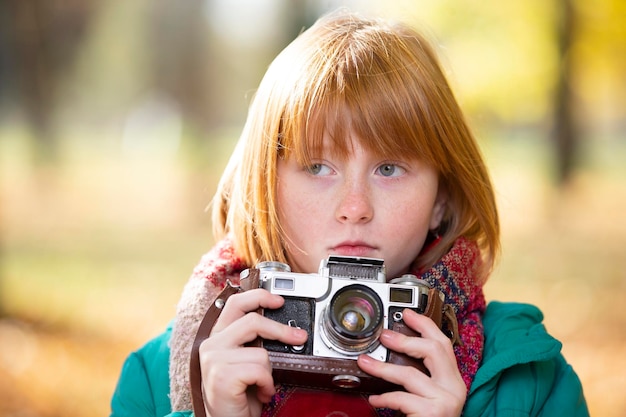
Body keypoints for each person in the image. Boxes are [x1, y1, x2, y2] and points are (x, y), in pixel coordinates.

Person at [110, 10, 589, 417]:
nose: (354, 209)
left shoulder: (529, 381)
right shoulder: (153, 381)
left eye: (389, 168)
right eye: (317, 167)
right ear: (266, 189)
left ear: (441, 197)